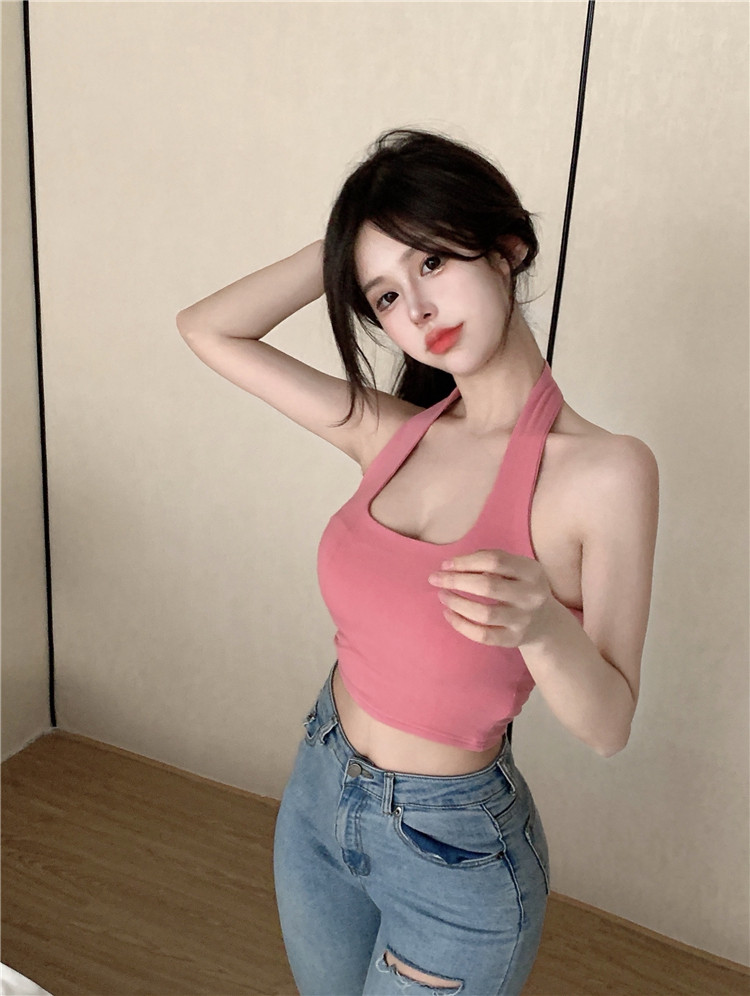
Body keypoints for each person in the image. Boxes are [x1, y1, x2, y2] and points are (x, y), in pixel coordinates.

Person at [176, 128, 659, 995]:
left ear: (505, 248)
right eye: (388, 295)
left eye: (432, 261)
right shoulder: (391, 433)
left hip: (452, 853)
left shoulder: (606, 473)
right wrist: (348, 237)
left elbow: (609, 726)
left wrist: (545, 627)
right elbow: (209, 329)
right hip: (319, 790)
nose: (420, 310)